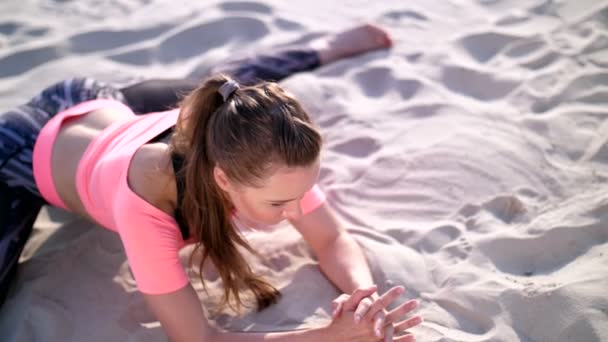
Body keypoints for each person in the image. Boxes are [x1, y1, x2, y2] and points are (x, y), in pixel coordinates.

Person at [0, 24, 422, 341]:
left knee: (229, 94)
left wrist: (363, 297)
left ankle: (324, 50)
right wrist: (331, 335)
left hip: (109, 103)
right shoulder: (146, 206)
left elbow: (331, 239)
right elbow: (199, 339)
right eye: (279, 204)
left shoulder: (266, 160)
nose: (297, 210)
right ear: (222, 178)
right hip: (27, 145)